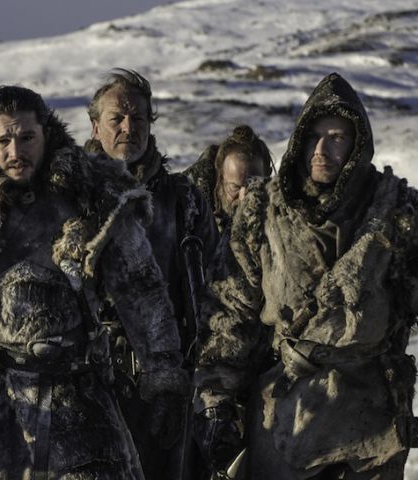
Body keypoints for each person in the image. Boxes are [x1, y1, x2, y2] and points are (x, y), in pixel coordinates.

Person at [0, 85, 188, 479]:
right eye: (3, 141)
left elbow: (141, 291)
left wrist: (163, 374)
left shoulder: (92, 193)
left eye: (27, 138)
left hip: (80, 395)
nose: (15, 152)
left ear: (46, 133)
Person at [193, 72, 418, 479]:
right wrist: (217, 401)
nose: (321, 149)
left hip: (371, 418)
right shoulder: (263, 211)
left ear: (357, 144)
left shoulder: (397, 212)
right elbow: (230, 311)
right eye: (314, 136)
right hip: (288, 411)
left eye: (336, 137)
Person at [85, 68, 217, 479]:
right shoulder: (70, 197)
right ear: (95, 126)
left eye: (139, 118)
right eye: (117, 118)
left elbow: (216, 292)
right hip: (89, 384)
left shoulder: (185, 201)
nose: (129, 128)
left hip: (168, 385)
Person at [185, 124, 272, 228]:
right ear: (219, 178)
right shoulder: (187, 215)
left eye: (253, 187)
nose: (243, 198)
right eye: (235, 187)